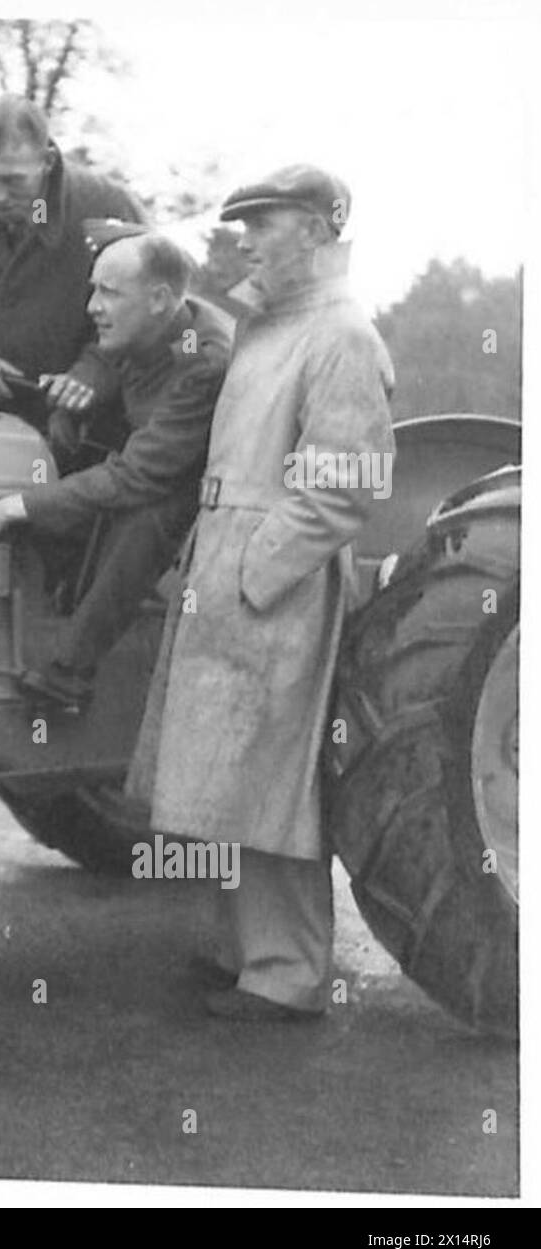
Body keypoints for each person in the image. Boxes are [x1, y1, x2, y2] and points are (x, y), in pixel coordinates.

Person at [125, 165, 395, 1021]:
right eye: (240, 222)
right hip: (228, 569)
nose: (241, 237)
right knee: (223, 774)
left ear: (317, 230)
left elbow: (346, 486)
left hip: (274, 581)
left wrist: (257, 568)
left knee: (273, 777)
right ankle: (244, 952)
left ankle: (286, 975)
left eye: (261, 223)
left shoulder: (343, 334)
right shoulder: (271, 326)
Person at [0, 227, 231, 707]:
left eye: (108, 292)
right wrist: (73, 398)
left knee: (148, 515)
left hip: (202, 488)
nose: (92, 306)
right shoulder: (148, 325)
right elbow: (113, 364)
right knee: (59, 452)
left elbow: (138, 475)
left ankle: (69, 671)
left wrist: (4, 509)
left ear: (158, 299)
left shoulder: (204, 361)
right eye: (93, 289)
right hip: (148, 454)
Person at [0, 94, 146, 468]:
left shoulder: (107, 205)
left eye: (13, 181)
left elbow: (142, 313)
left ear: (47, 161)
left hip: (86, 427)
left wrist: (89, 375)